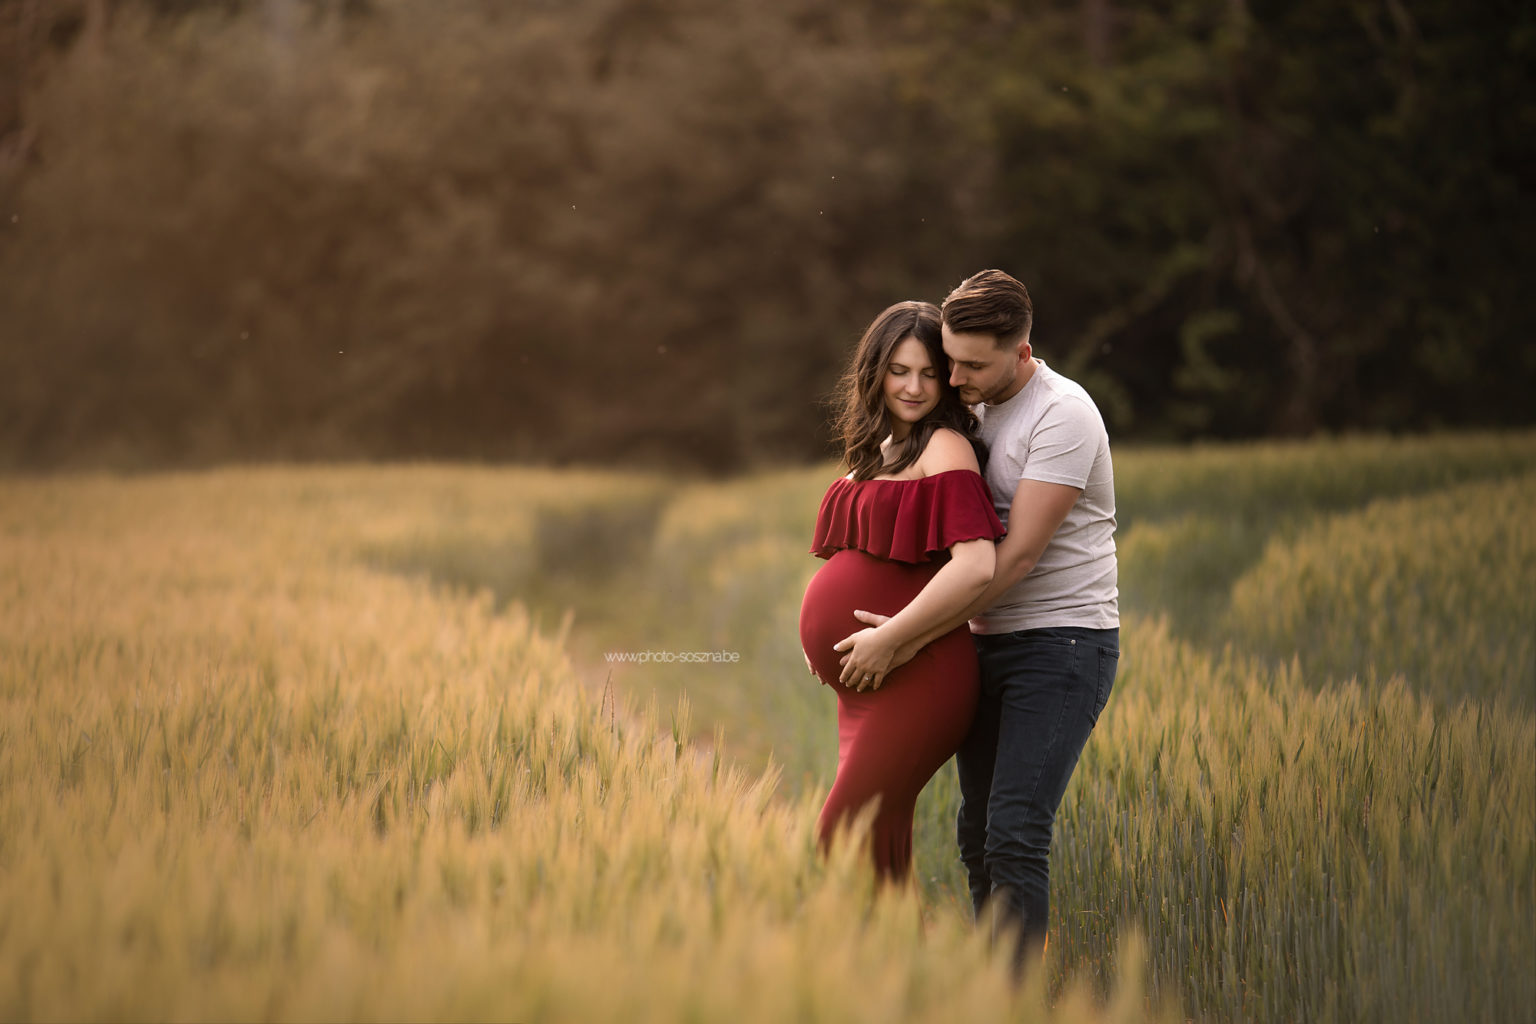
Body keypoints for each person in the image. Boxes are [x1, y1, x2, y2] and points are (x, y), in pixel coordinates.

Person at [838, 270, 1119, 974]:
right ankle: (994, 985)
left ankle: (1016, 1000)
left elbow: (1014, 558)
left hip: (1061, 644)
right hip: (980, 642)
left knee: (1016, 829)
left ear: (1022, 352)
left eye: (971, 364)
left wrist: (901, 636)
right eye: (949, 361)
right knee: (974, 832)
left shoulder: (1064, 413)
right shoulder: (975, 405)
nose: (954, 378)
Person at [798, 300, 1006, 883]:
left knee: (842, 834)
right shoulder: (879, 454)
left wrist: (888, 636)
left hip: (917, 673)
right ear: (874, 371)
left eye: (929, 373)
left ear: (946, 379)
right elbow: (859, 561)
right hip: (865, 680)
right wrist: (820, 639)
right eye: (899, 370)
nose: (914, 387)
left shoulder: (944, 447)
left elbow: (975, 566)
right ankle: (893, 968)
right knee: (875, 847)